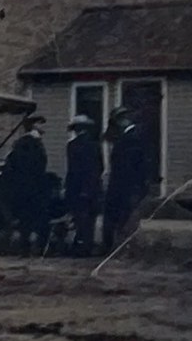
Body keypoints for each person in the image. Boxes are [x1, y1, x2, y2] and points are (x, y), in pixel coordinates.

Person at [102, 107, 149, 253]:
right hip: (125, 187)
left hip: (126, 188)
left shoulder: (131, 139)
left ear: (122, 121)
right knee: (121, 219)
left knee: (124, 219)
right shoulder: (129, 138)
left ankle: (122, 249)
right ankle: (119, 249)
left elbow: (130, 167)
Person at [2, 114, 49, 256]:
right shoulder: (32, 143)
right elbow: (36, 165)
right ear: (34, 125)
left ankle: (25, 246)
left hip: (22, 185)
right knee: (33, 216)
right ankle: (32, 247)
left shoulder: (21, 143)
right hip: (32, 185)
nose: (43, 127)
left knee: (25, 217)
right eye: (41, 124)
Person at [63, 114, 104, 257]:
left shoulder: (72, 146)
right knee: (89, 219)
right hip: (92, 188)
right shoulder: (95, 145)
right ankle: (87, 245)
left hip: (77, 187)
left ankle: (81, 246)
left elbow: (72, 170)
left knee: (80, 218)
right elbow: (100, 167)